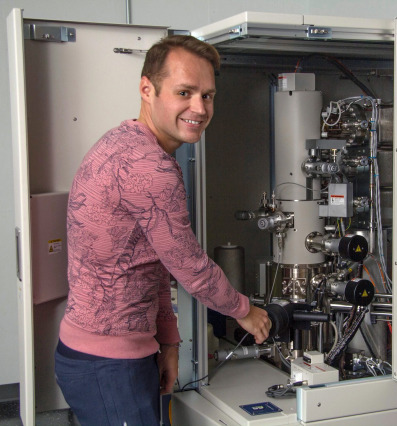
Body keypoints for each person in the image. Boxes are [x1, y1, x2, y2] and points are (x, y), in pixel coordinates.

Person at [54, 35, 271, 426]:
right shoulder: (150, 167)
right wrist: (246, 311)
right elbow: (189, 266)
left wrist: (168, 343)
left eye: (207, 95)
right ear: (146, 89)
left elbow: (150, 262)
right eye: (184, 92)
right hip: (108, 363)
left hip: (107, 354)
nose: (199, 108)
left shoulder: (124, 140)